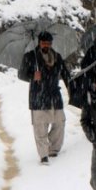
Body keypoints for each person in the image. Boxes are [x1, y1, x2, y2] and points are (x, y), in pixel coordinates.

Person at [18, 31, 71, 165]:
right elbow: (21, 74)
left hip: (54, 95)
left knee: (60, 122)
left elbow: (66, 74)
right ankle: (43, 155)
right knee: (40, 126)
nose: (46, 45)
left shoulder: (57, 57)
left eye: (48, 42)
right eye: (44, 42)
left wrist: (71, 89)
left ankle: (53, 149)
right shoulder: (30, 57)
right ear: (39, 42)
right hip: (38, 96)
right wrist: (32, 76)